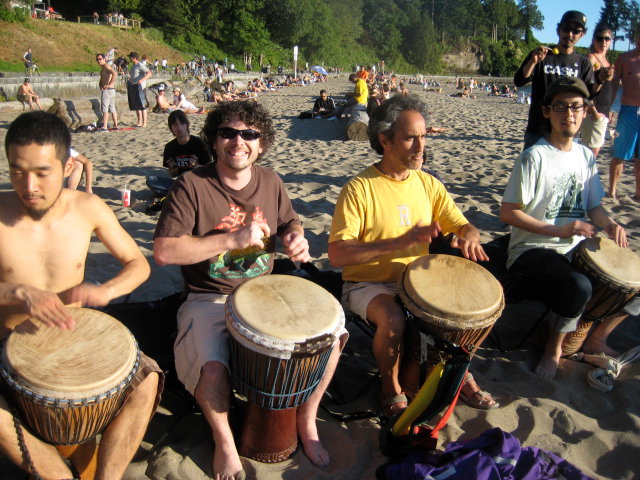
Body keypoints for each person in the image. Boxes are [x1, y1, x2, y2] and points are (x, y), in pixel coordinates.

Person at [153, 101, 344, 479]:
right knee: (211, 369)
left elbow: (290, 223)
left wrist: (295, 238)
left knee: (332, 339)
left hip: (265, 291)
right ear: (214, 139)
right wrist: (230, 239)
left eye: (249, 134)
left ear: (261, 144)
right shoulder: (191, 184)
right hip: (209, 296)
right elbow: (164, 251)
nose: (238, 141)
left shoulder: (271, 181)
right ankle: (225, 442)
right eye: (228, 132)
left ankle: (307, 421)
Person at [0, 111, 161, 480]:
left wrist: (107, 290)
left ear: (68, 166)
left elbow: (138, 263)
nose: (29, 186)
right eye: (17, 172)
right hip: (9, 344)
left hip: (74, 338)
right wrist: (18, 292)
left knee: (148, 379)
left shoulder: (87, 208)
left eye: (42, 173)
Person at [328, 94, 496, 417]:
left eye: (423, 136)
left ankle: (459, 373)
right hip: (367, 285)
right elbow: (337, 254)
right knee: (392, 318)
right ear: (384, 140)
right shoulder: (359, 189)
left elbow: (462, 224)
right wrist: (399, 242)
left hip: (416, 283)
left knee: (467, 310)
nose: (420, 147)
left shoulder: (428, 184)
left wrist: (470, 235)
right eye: (410, 138)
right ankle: (391, 389)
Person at [499, 77, 628, 379]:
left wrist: (610, 223)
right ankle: (553, 350)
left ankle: (597, 338)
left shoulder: (585, 156)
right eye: (560, 107)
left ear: (585, 111)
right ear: (547, 112)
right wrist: (560, 231)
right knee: (578, 285)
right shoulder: (534, 157)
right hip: (532, 249)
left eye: (575, 107)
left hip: (574, 248)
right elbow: (508, 212)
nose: (568, 114)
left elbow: (594, 206)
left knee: (632, 283)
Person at [514, 10, 611, 150]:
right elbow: (519, 81)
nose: (570, 34)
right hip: (538, 129)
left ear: (582, 34)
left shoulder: (583, 62)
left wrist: (600, 80)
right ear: (558, 29)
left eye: (576, 31)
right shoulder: (542, 55)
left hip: (568, 132)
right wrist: (533, 62)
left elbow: (589, 94)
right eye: (566, 28)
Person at [608, 30, 640, 200]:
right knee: (620, 153)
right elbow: (613, 85)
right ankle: (612, 191)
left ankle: (638, 193)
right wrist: (609, 107)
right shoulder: (624, 59)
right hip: (628, 110)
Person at [580, 26, 615, 158]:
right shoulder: (592, 58)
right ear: (594, 40)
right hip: (593, 112)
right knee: (590, 153)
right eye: (599, 38)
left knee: (593, 151)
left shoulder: (605, 61)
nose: (603, 42)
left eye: (607, 38)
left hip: (602, 111)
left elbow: (606, 89)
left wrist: (608, 111)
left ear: (611, 40)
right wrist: (593, 111)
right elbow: (584, 87)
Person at [163, 109, 210, 177]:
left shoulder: (199, 143)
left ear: (187, 124)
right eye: (175, 125)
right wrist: (173, 168)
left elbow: (209, 170)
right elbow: (173, 175)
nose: (179, 128)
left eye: (182, 123)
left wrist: (195, 165)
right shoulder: (169, 147)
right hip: (181, 181)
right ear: (171, 128)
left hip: (198, 179)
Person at [127, 51, 152, 128]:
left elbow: (149, 73)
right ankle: (139, 122)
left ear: (134, 58)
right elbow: (133, 75)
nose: (129, 58)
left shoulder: (140, 64)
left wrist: (142, 80)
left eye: (130, 57)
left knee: (142, 105)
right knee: (137, 106)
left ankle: (144, 123)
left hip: (140, 87)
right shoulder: (133, 65)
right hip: (134, 86)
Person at [96, 53, 119, 131]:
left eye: (100, 59)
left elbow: (115, 74)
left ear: (104, 59)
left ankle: (105, 127)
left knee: (105, 109)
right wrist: (100, 84)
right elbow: (103, 78)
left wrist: (109, 84)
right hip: (111, 90)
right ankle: (115, 125)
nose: (99, 61)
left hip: (108, 91)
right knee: (112, 108)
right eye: (97, 59)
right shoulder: (104, 67)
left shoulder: (106, 66)